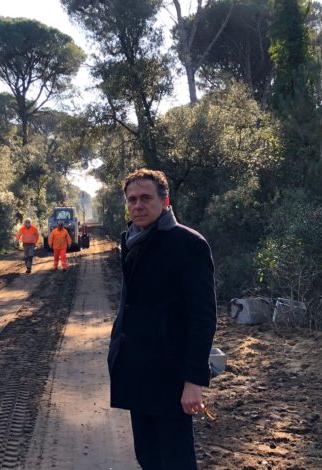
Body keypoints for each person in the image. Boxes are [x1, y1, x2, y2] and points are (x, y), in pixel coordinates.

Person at [107, 168, 217, 469]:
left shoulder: (189, 244)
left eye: (145, 198)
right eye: (132, 200)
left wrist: (194, 381)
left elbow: (203, 317)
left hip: (170, 375)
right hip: (136, 370)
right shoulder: (132, 240)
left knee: (176, 460)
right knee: (148, 457)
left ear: (165, 201)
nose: (138, 206)